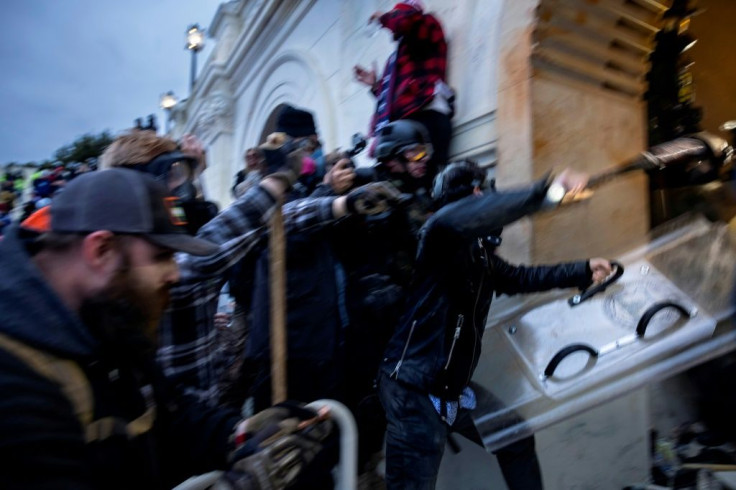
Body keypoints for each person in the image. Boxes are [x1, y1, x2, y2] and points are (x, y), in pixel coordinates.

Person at [0, 168, 333, 489]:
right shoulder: (16, 385)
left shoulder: (104, 322)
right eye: (161, 256)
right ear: (101, 250)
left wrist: (241, 433)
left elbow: (167, 413)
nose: (175, 273)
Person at [378, 160, 613, 489]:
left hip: (453, 391)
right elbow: (468, 215)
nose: (483, 196)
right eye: (476, 192)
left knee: (513, 437)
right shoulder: (439, 233)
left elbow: (519, 278)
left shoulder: (480, 256)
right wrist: (546, 191)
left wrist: (583, 270)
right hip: (414, 389)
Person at [354, 0, 454, 185]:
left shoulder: (426, 24)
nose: (391, 26)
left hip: (427, 116)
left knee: (430, 183)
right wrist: (376, 87)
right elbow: (398, 101)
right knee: (400, 187)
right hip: (409, 123)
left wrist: (383, 17)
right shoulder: (396, 57)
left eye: (396, 14)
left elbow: (407, 22)